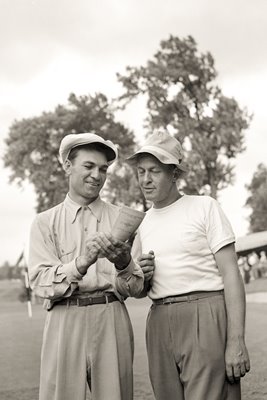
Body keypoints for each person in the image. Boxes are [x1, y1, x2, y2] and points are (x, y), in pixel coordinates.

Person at [127, 131, 250, 400]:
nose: (145, 179)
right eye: (141, 171)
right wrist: (142, 275)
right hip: (158, 320)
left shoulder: (204, 207)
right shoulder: (142, 223)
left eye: (154, 171)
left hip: (204, 314)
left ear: (174, 173)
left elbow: (231, 275)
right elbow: (136, 290)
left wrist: (236, 340)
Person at [28, 132, 144, 400]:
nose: (97, 175)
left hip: (111, 315)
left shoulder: (123, 218)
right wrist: (81, 263)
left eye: (103, 169)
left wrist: (123, 262)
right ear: (68, 166)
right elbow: (41, 283)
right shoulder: (44, 222)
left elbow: (137, 287)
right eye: (88, 166)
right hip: (64, 318)